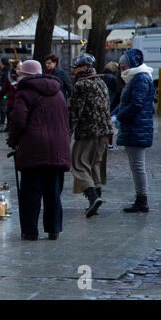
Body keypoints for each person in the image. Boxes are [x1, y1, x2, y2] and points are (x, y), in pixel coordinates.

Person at [7, 60, 70, 241]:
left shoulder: (24, 92)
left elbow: (18, 120)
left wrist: (13, 140)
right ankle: (53, 229)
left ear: (25, 76)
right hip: (58, 148)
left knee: (31, 192)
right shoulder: (58, 92)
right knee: (53, 191)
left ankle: (30, 231)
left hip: (33, 148)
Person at [69, 53, 114, 218]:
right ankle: (96, 199)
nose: (73, 70)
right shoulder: (101, 82)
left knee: (79, 165)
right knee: (95, 164)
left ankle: (93, 197)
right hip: (104, 130)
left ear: (84, 68)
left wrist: (68, 130)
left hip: (88, 131)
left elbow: (74, 111)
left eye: (76, 67)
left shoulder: (81, 85)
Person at [116, 48, 154, 213]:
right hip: (136, 127)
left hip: (137, 127)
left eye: (123, 66)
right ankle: (141, 198)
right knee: (136, 165)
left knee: (138, 165)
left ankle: (142, 199)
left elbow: (136, 104)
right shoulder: (137, 78)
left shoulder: (140, 78)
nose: (122, 69)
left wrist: (120, 116)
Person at [0, 59, 22, 132]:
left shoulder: (23, 76)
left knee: (4, 109)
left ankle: (4, 125)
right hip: (9, 99)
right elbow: (4, 88)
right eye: (20, 66)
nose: (21, 67)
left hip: (15, 101)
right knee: (4, 109)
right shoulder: (9, 75)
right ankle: (5, 125)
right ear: (15, 67)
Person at [102, 61, 119, 150]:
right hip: (110, 103)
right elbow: (115, 92)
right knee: (110, 125)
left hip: (102, 103)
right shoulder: (112, 78)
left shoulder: (102, 76)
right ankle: (109, 143)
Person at [0, 57, 11, 132]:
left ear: (3, 63)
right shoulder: (7, 70)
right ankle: (8, 126)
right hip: (6, 94)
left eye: (0, 62)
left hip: (5, 94)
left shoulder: (6, 72)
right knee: (6, 109)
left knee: (3, 108)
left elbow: (5, 84)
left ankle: (1, 125)